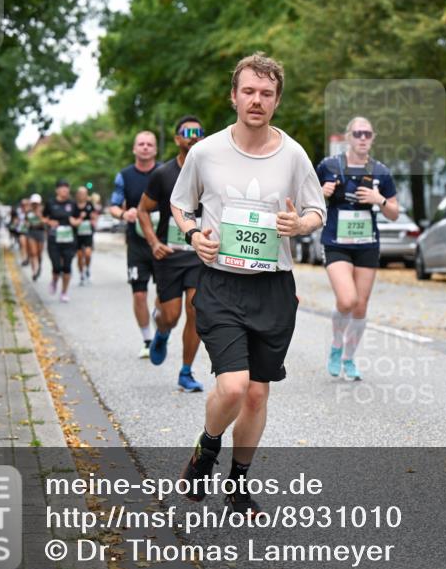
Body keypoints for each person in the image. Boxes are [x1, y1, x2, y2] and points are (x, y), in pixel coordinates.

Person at [170, 53, 325, 515]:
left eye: (267, 93)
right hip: (220, 284)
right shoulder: (205, 152)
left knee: (258, 392)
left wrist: (299, 225)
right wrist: (196, 235)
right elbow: (181, 206)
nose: (257, 100)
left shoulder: (293, 154)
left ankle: (238, 485)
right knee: (233, 387)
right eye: (249, 91)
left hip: (272, 287)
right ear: (233, 96)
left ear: (277, 100)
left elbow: (317, 211)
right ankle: (207, 447)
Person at [316, 117, 398, 380]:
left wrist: (379, 199)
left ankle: (349, 359)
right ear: (348, 137)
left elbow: (394, 212)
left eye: (368, 134)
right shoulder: (328, 166)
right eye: (358, 133)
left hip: (366, 243)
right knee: (347, 300)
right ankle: (336, 346)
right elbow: (305, 199)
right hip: (336, 243)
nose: (363, 138)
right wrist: (322, 192)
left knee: (361, 307)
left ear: (373, 138)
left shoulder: (380, 172)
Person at [138, 115, 206, 392]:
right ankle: (162, 331)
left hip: (199, 254)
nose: (192, 136)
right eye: (186, 132)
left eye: (198, 132)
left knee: (196, 310)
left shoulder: (213, 172)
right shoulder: (163, 174)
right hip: (169, 254)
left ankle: (186, 372)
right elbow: (143, 210)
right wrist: (154, 242)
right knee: (171, 315)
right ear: (177, 139)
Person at [110, 131, 161, 358]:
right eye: (141, 144)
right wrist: (124, 214)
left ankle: (161, 322)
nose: (145, 147)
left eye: (149, 144)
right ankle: (147, 339)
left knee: (165, 296)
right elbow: (113, 206)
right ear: (134, 149)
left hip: (161, 242)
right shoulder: (124, 176)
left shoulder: (164, 172)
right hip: (136, 244)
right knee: (139, 294)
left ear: (155, 149)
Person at [44, 179, 78, 302]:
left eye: (67, 187)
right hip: (54, 239)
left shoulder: (72, 204)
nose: (65, 190)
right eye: (62, 188)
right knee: (57, 266)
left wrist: (75, 222)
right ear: (57, 190)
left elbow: (77, 219)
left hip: (69, 239)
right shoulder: (50, 203)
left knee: (67, 267)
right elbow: (43, 217)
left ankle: (64, 292)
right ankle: (54, 280)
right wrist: (49, 222)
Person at [73, 186, 97, 286]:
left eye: (85, 193)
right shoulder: (73, 206)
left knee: (87, 254)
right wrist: (78, 219)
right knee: (79, 256)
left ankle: (87, 269)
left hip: (88, 233)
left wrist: (93, 219)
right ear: (78, 195)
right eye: (81, 193)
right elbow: (70, 218)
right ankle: (81, 274)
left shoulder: (90, 205)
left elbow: (95, 216)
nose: (83, 195)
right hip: (77, 234)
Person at [25, 194, 46, 280]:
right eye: (33, 203)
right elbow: (26, 222)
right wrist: (28, 224)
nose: (35, 205)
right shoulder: (28, 211)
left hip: (40, 232)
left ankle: (39, 266)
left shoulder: (42, 211)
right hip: (31, 232)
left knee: (39, 253)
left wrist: (39, 215)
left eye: (36, 203)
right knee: (33, 253)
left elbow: (44, 222)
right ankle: (34, 272)